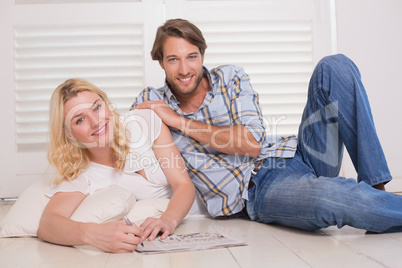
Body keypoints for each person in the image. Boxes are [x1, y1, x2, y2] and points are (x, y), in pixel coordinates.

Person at [132, 18, 402, 233]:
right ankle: (376, 206)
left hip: (294, 154)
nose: (184, 69)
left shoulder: (230, 77)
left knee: (335, 66)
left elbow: (251, 143)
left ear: (202, 55)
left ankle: (376, 188)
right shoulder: (151, 101)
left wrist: (179, 121)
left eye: (191, 56)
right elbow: (125, 143)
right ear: (160, 62)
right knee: (335, 197)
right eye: (173, 59)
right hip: (258, 190)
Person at [37, 78, 195, 253]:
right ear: (69, 135)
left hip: (194, 220)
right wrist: (95, 235)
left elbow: (184, 185)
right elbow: (47, 224)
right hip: (175, 235)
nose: (96, 122)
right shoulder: (83, 174)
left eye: (97, 107)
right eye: (80, 120)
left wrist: (168, 220)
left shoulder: (143, 123)